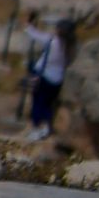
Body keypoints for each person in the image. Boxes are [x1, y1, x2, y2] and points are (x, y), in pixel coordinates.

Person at [24, 14, 72, 142]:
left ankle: (36, 129)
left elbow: (34, 34)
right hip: (58, 80)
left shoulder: (53, 42)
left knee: (38, 102)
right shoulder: (71, 46)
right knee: (48, 104)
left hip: (44, 77)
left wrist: (29, 25)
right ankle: (46, 127)